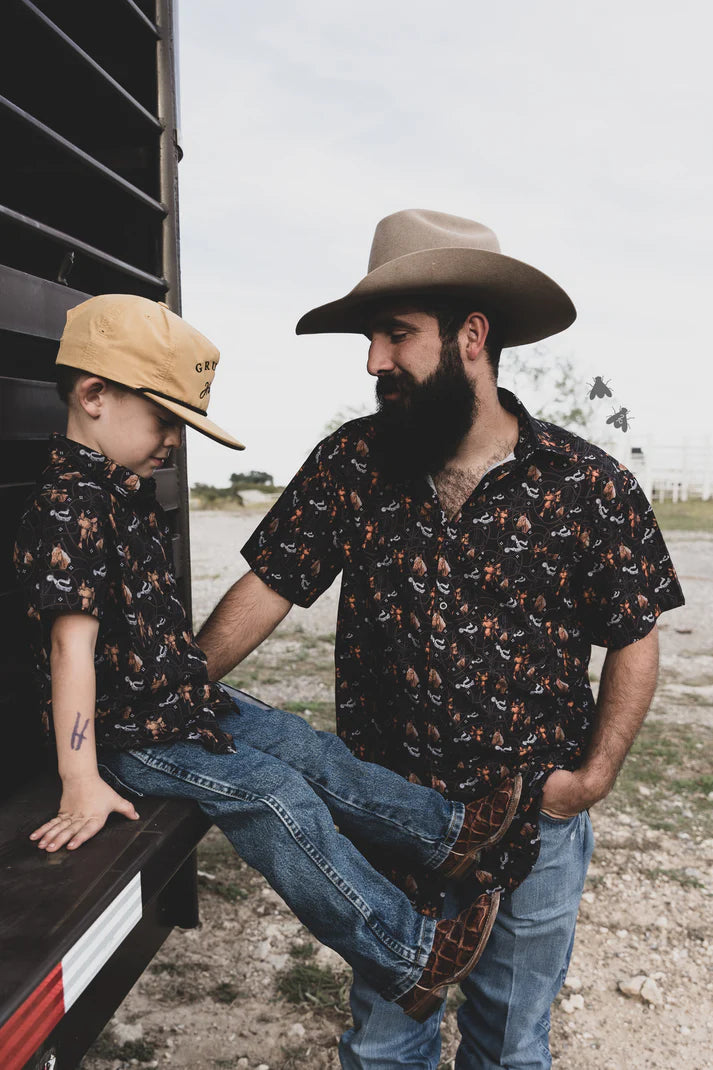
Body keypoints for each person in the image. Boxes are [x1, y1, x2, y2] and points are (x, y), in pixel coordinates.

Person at [195, 210, 685, 1068]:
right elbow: (269, 585)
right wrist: (171, 689)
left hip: (534, 824)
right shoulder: (353, 462)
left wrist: (593, 777)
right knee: (384, 1046)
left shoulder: (586, 483)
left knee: (507, 1047)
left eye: (395, 335)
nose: (374, 361)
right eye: (372, 339)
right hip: (388, 823)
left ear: (471, 335)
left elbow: (633, 637)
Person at [13, 292, 540, 1023]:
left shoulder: (117, 493)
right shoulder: (69, 507)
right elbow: (70, 646)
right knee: (273, 796)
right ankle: (406, 955)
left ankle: (447, 833)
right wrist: (79, 776)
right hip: (135, 734)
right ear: (95, 395)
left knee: (304, 746)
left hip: (181, 704)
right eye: (165, 418)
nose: (173, 439)